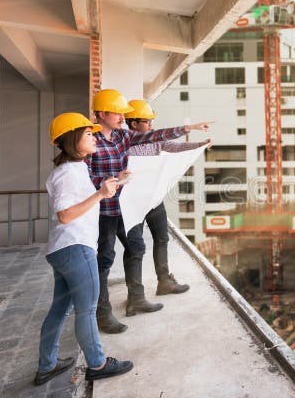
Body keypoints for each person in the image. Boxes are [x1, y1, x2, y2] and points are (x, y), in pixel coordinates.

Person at [89, 89, 210, 334]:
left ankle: (137, 298)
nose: (122, 117)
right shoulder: (90, 141)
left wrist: (189, 129)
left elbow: (157, 137)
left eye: (124, 114)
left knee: (136, 248)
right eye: (118, 113)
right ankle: (103, 314)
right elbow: (84, 177)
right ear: (102, 114)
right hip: (104, 211)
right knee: (104, 259)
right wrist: (111, 178)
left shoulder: (123, 137)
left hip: (128, 207)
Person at [35, 113, 133, 385]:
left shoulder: (75, 169)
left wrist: (114, 182)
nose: (93, 136)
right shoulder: (67, 173)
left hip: (65, 249)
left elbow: (83, 200)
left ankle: (46, 366)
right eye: (88, 133)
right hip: (76, 247)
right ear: (72, 140)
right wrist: (101, 194)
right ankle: (98, 364)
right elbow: (65, 214)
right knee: (87, 310)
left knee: (59, 310)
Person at [125, 100, 211, 296]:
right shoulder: (125, 141)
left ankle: (164, 282)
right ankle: (135, 295)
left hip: (153, 198)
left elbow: (173, 147)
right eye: (147, 122)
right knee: (135, 248)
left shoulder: (154, 141)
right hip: (133, 202)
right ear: (134, 123)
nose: (151, 125)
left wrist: (199, 145)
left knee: (162, 239)